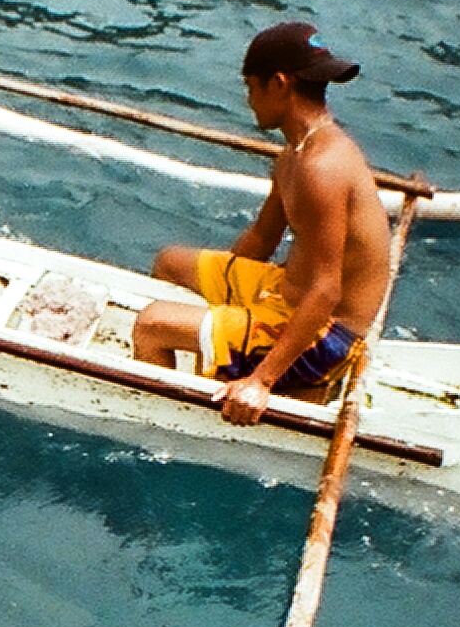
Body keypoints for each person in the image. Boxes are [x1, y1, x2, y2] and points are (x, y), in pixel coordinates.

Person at [131, 21, 392, 426]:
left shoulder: (322, 169)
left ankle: (169, 427)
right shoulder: (295, 154)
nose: (249, 100)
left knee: (151, 324)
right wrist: (225, 308)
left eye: (251, 87)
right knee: (170, 263)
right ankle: (223, 356)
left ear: (279, 84)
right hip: (288, 296)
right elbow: (260, 241)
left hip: (328, 336)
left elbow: (325, 290)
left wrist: (261, 380)